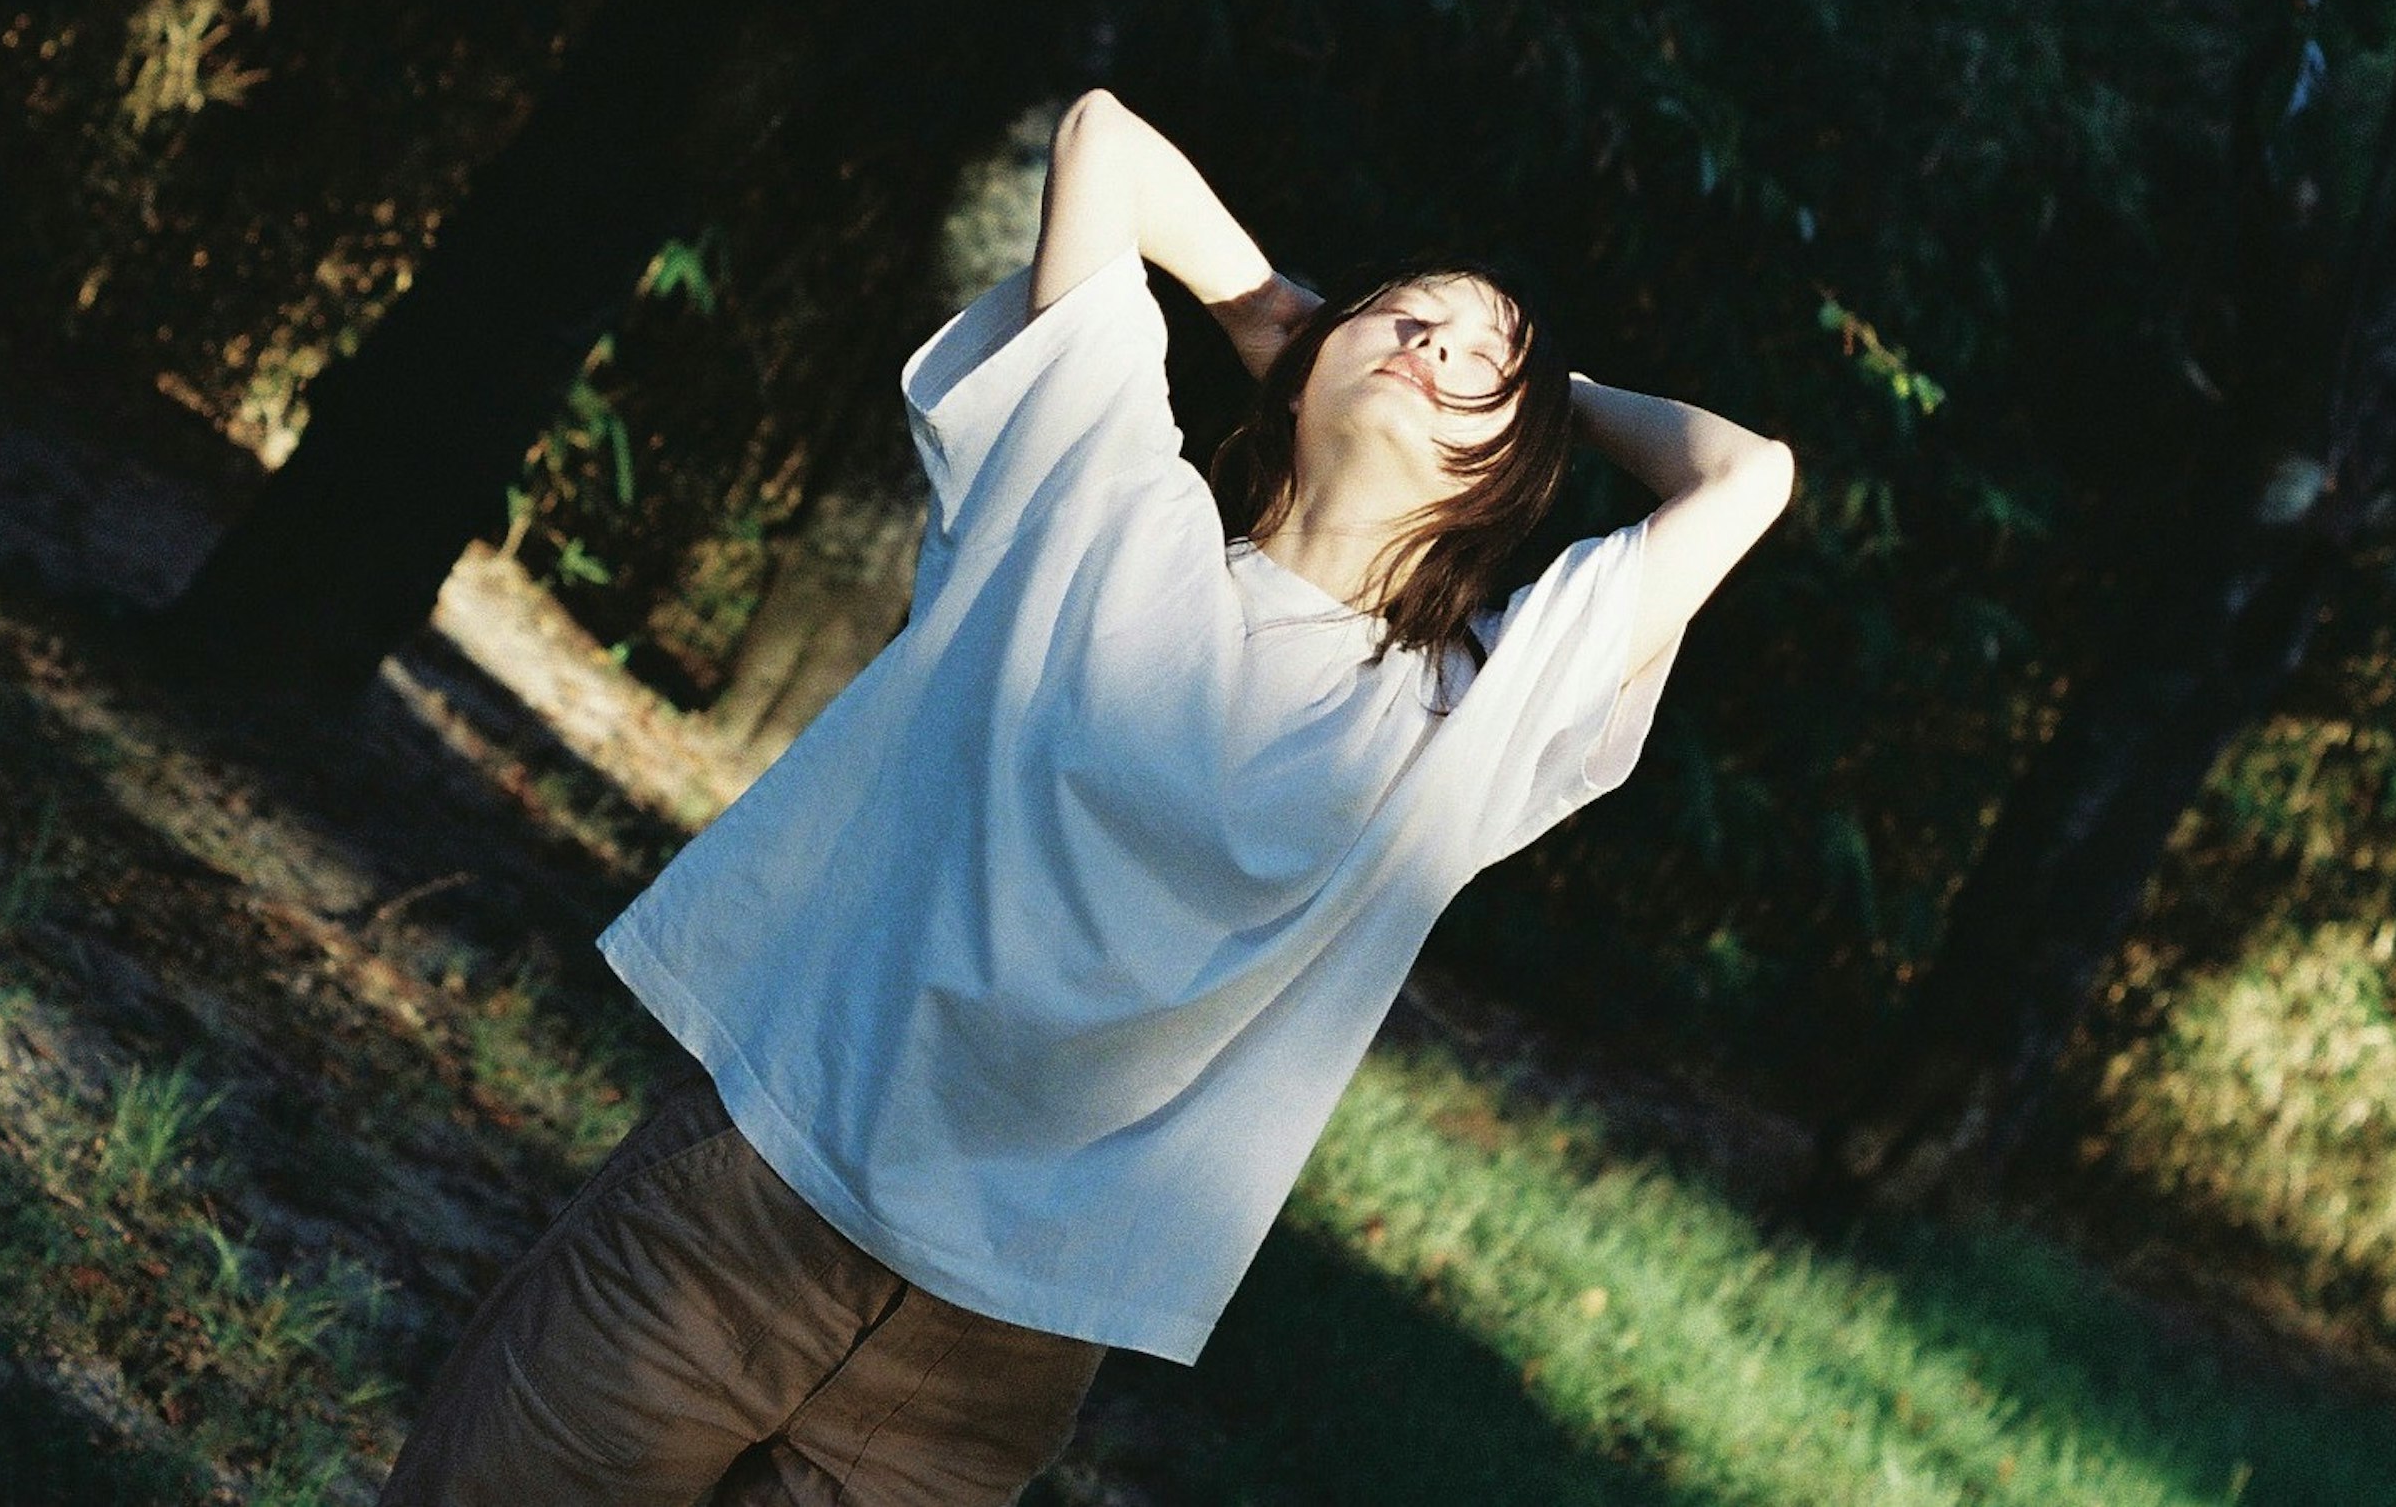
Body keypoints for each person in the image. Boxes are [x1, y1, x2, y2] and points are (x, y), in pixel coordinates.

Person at [381, 89, 1796, 1507]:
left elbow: (1746, 473)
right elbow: (1104, 143)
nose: (1435, 345)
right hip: (755, 1196)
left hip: (990, 1355)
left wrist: (1545, 396)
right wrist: (1281, 314)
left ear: (1512, 475)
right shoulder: (1100, 496)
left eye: (1483, 362)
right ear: (1301, 369)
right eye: (1409, 317)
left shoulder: (1475, 714)